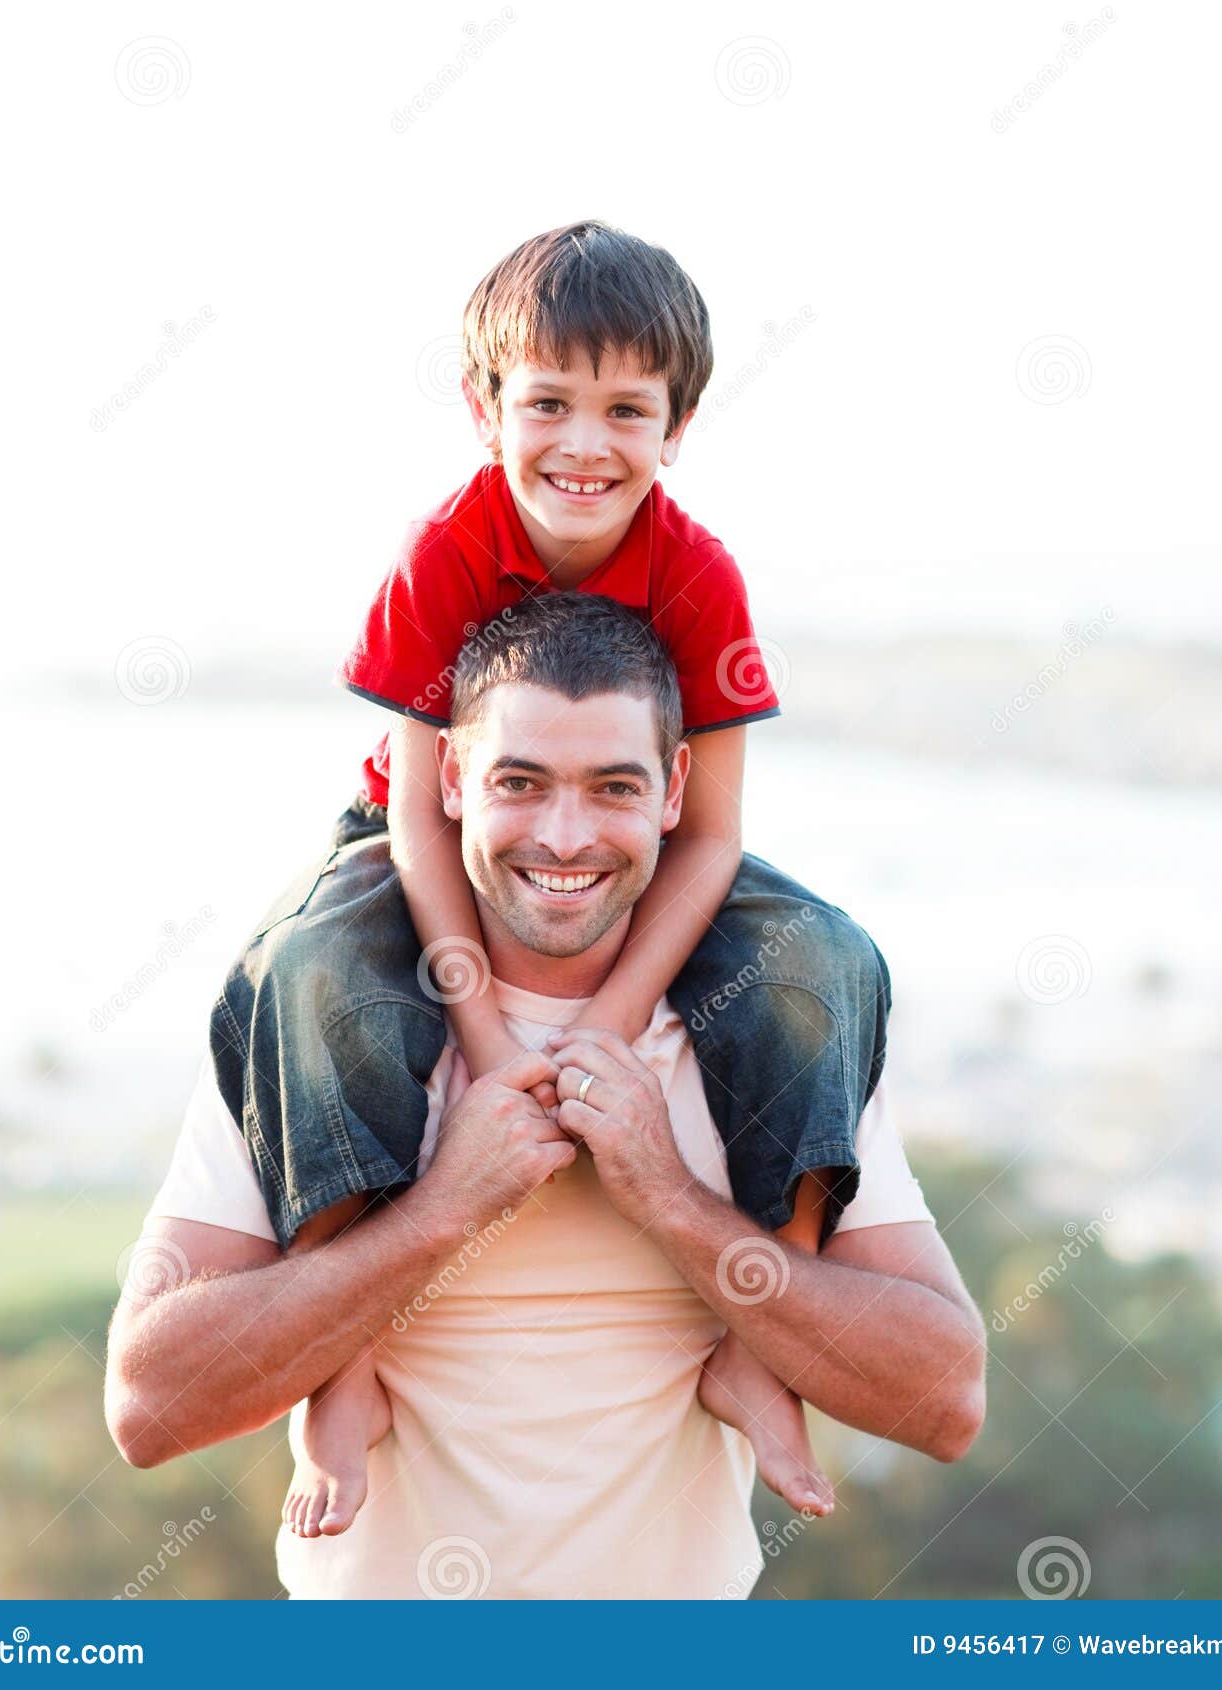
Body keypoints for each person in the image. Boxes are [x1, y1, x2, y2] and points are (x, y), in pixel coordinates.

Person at [105, 592, 986, 1601]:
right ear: (449, 780)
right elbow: (151, 1406)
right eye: (519, 782)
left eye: (613, 786)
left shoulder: (767, 1027)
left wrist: (668, 1196)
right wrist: (443, 1209)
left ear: (674, 790)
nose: (566, 837)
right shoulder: (330, 1018)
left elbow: (944, 1396)